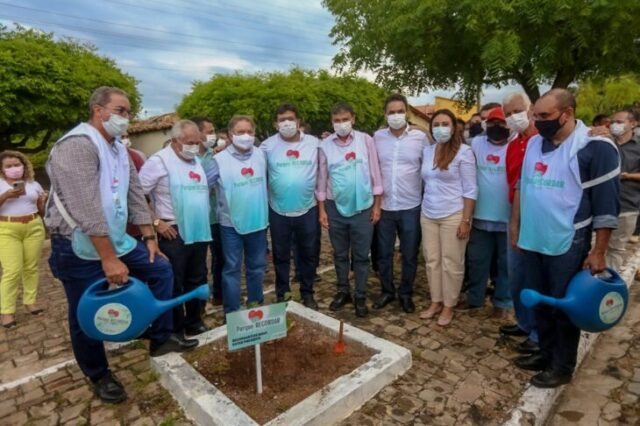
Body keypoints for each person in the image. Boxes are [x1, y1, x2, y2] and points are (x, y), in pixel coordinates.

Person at [46, 86, 197, 404]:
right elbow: (86, 209)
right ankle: (98, 374)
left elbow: (135, 195)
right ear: (98, 110)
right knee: (86, 313)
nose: (126, 118)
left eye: (128, 112)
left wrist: (149, 238)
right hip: (76, 243)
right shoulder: (77, 145)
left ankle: (161, 337)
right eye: (120, 111)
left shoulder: (117, 148)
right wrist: (109, 259)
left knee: (161, 269)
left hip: (116, 237)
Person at [512, 89, 619, 388]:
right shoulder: (535, 143)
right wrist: (515, 227)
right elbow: (524, 185)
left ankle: (562, 366)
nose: (538, 121)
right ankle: (545, 352)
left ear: (567, 114)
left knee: (563, 306)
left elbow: (606, 205)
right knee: (540, 301)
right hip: (534, 238)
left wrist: (599, 250)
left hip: (568, 241)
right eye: (535, 116)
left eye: (545, 116)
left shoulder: (594, 146)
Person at [139, 120, 212, 337]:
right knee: (175, 281)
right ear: (174, 140)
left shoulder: (195, 160)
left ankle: (194, 321)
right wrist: (155, 222)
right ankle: (175, 328)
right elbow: (136, 196)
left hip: (199, 228)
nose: (194, 147)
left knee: (197, 277)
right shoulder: (158, 162)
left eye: (197, 142)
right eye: (190, 142)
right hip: (173, 231)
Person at [317, 102, 383, 317]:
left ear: (353, 119)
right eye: (337, 120)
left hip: (363, 207)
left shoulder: (366, 140)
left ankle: (360, 295)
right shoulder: (325, 145)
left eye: (345, 119)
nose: (341, 124)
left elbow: (375, 173)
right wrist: (322, 210)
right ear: (331, 122)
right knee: (340, 254)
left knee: (362, 255)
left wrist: (377, 205)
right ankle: (343, 291)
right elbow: (322, 179)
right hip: (334, 207)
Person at [203, 115, 268, 314]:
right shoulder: (218, 160)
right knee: (231, 269)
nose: (245, 136)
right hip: (230, 224)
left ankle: (256, 306)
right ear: (231, 135)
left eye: (249, 131)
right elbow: (204, 187)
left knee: (257, 267)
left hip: (258, 221)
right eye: (240, 132)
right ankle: (231, 313)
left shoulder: (261, 155)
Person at [419, 109, 477, 326]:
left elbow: (470, 189)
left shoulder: (464, 152)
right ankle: (436, 301)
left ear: (453, 128)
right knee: (432, 260)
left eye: (445, 124)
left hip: (453, 214)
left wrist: (466, 220)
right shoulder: (428, 151)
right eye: (436, 124)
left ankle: (449, 305)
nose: (440, 128)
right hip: (428, 213)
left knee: (451, 262)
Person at [261, 103, 320, 309]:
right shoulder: (266, 146)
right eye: (282, 120)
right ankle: (283, 294)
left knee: (308, 254)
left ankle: (307, 293)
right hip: (278, 210)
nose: (286, 123)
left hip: (308, 208)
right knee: (281, 255)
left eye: (290, 119)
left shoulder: (314, 143)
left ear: (298, 121)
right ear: (275, 124)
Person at [372, 94, 427, 313]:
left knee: (409, 254)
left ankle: (405, 293)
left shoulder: (420, 138)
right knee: (383, 253)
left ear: (407, 113)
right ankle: (387, 291)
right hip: (385, 207)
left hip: (411, 206)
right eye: (391, 112)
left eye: (400, 111)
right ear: (385, 114)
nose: (396, 115)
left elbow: (428, 168)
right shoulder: (377, 138)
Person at [458, 107, 512, 317]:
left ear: (509, 125)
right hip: (480, 217)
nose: (496, 127)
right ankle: (475, 299)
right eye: (492, 123)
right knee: (477, 262)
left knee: (505, 265)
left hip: (507, 219)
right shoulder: (476, 144)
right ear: (485, 125)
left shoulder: (518, 144)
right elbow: (455, 143)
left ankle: (502, 302)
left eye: (501, 123)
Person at [500, 92, 540, 355]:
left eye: (517, 111)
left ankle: (538, 334)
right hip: (515, 214)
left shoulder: (544, 141)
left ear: (530, 109)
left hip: (538, 217)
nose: (513, 117)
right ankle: (524, 323)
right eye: (508, 114)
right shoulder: (513, 144)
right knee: (517, 275)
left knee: (536, 277)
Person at [0, 151, 47, 328]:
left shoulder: (33, 184)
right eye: (9, 166)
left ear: (24, 165)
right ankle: (7, 311)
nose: (14, 168)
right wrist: (6, 196)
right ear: (2, 169)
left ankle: (30, 302)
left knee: (31, 267)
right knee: (12, 270)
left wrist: (42, 201)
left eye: (17, 165)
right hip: (7, 228)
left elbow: (42, 211)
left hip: (33, 225)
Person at [190, 116, 225, 306]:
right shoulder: (188, 156)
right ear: (197, 133)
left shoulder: (218, 155)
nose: (213, 135)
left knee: (221, 258)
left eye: (213, 131)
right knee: (197, 264)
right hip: (196, 218)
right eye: (209, 131)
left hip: (217, 216)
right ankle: (199, 303)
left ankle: (219, 294)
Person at [605, 110, 640, 270]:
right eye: (612, 122)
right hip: (601, 204)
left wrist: (628, 176)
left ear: (633, 124)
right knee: (593, 246)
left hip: (627, 205)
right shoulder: (605, 143)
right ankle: (589, 280)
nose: (614, 125)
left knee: (616, 249)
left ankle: (607, 283)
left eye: (619, 122)